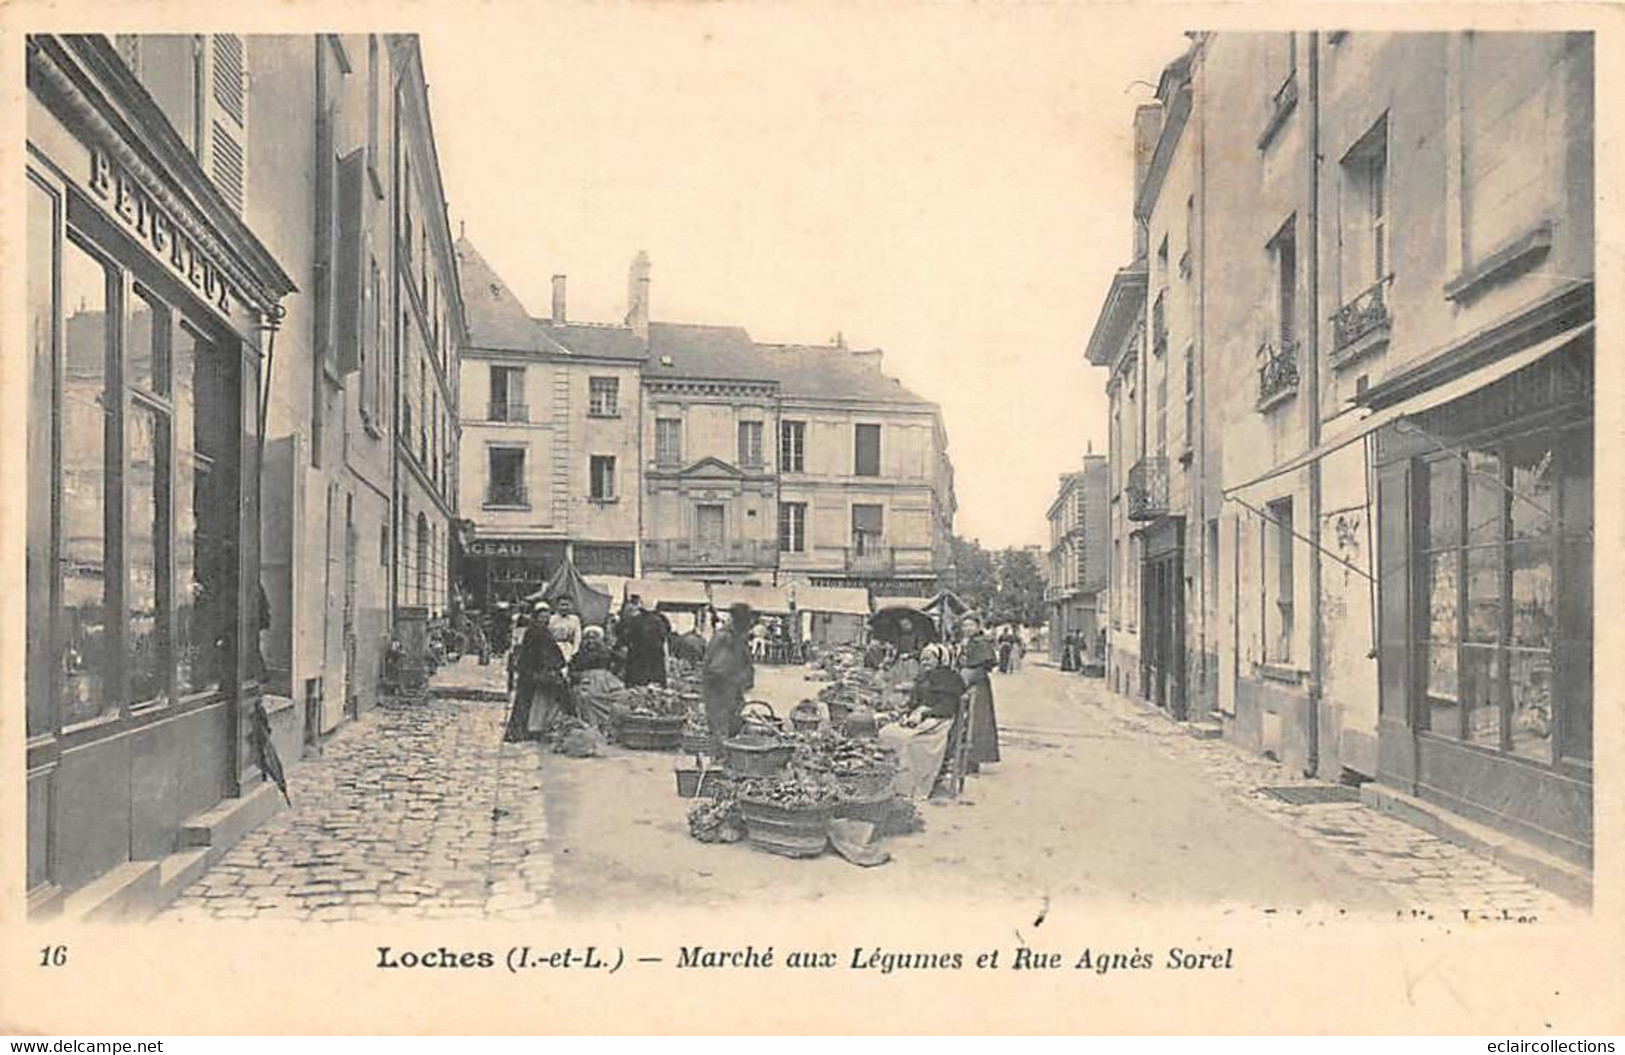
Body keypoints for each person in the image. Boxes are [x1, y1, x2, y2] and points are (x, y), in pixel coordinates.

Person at [505, 601, 571, 742]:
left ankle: (531, 728)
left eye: (547, 617)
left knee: (533, 701)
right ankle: (523, 730)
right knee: (526, 701)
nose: (545, 619)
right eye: (542, 617)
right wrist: (553, 665)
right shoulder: (536, 631)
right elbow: (540, 653)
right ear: (536, 617)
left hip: (533, 669)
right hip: (533, 670)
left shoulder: (542, 631)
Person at [702, 602, 757, 753]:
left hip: (729, 691)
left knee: (732, 725)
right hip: (720, 691)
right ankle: (721, 758)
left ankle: (725, 756)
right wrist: (738, 679)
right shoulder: (725, 638)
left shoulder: (736, 637)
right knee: (721, 729)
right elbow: (718, 669)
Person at [958, 612, 1001, 772]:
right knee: (966, 720)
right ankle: (965, 758)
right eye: (965, 625)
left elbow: (983, 665)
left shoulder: (981, 643)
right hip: (966, 682)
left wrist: (966, 678)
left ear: (977, 626)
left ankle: (974, 760)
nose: (967, 628)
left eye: (970, 625)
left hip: (977, 685)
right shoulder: (967, 643)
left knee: (977, 721)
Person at [620, 595, 670, 688]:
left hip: (638, 656)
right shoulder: (661, 620)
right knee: (656, 683)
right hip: (656, 656)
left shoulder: (635, 620)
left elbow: (626, 636)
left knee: (637, 684)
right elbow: (666, 634)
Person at [548, 596, 583, 664]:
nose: (564, 608)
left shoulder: (575, 619)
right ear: (557, 606)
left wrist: (574, 652)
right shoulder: (551, 619)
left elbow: (577, 637)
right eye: (562, 605)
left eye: (567, 605)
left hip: (568, 648)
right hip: (554, 647)